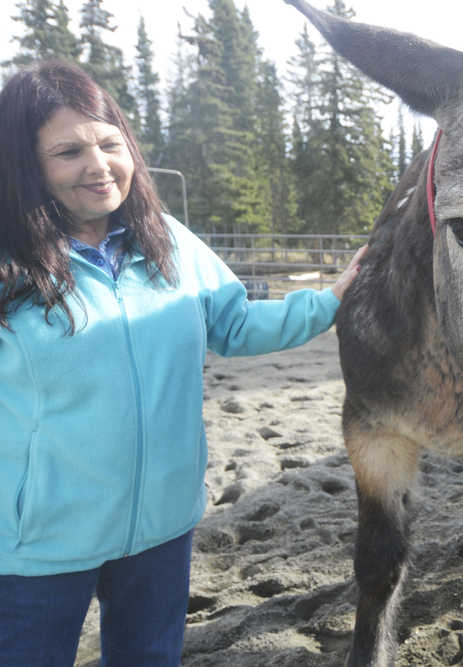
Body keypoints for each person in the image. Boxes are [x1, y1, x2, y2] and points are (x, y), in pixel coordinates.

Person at [0, 60, 366, 666]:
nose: (98, 166)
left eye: (110, 143)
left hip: (161, 526)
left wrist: (328, 302)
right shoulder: (10, 264)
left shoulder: (164, 239)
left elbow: (235, 323)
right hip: (37, 541)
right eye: (68, 152)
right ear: (25, 167)